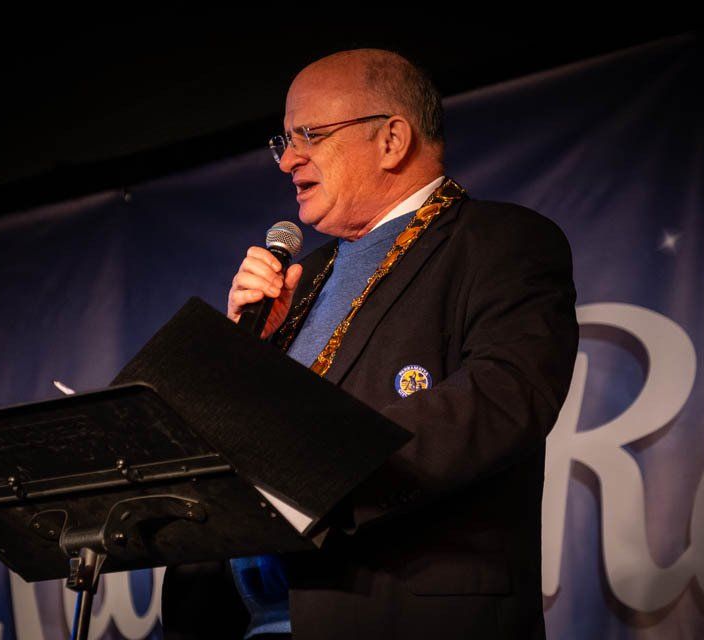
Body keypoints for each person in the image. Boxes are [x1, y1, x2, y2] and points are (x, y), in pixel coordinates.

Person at [163, 49, 578, 640]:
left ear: (391, 140)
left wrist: (316, 474)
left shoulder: (499, 241)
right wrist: (246, 348)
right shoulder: (302, 276)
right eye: (282, 140)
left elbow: (506, 398)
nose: (288, 161)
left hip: (390, 612)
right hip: (243, 621)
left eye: (309, 134)